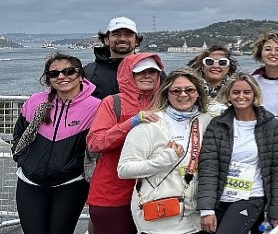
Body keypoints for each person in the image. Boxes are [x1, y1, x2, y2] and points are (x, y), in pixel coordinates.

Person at [11, 53, 101, 234]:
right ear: (48, 79)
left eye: (69, 71)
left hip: (70, 184)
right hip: (30, 183)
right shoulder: (36, 101)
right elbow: (19, 133)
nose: (61, 77)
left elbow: (99, 142)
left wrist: (79, 168)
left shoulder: (95, 106)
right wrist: (22, 159)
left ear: (81, 75)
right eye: (54, 74)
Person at [117, 68, 213, 233]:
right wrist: (163, 161)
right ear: (166, 94)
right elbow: (124, 170)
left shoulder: (207, 121)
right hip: (158, 217)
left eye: (189, 89)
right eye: (176, 90)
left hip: (194, 217)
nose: (183, 94)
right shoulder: (150, 124)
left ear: (198, 93)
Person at [197, 73, 278, 233]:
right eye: (236, 92)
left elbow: (277, 171)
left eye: (247, 92)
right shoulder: (217, 125)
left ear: (255, 94)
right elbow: (209, 168)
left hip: (251, 197)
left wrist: (276, 212)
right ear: (228, 95)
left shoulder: (271, 126)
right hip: (220, 198)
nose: (241, 96)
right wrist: (206, 209)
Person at [86, 53, 164, 234]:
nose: (147, 75)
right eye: (140, 71)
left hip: (151, 193)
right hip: (112, 193)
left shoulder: (164, 103)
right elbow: (95, 142)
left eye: (152, 71)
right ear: (129, 74)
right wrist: (131, 123)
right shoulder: (113, 103)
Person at [84, 16, 142, 99]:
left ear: (136, 40)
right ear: (106, 40)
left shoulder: (151, 71)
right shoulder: (88, 72)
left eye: (128, 35)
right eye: (116, 34)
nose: (122, 39)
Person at [188, 45, 238, 115]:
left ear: (229, 67)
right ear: (202, 66)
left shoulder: (237, 90)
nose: (215, 66)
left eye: (222, 63)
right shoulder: (189, 89)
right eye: (209, 62)